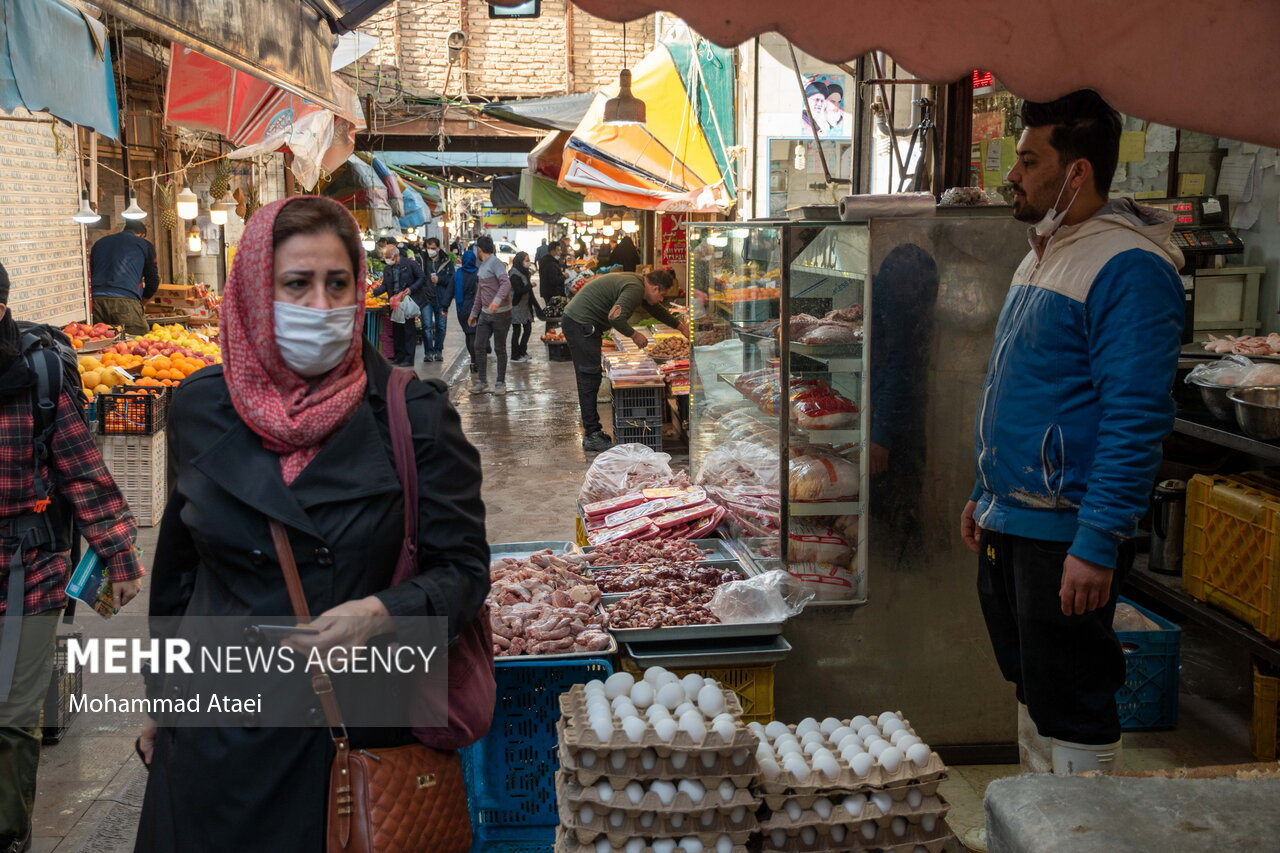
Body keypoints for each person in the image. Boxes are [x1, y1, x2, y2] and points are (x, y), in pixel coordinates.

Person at [133, 196, 489, 852]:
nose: (322, 307)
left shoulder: (412, 417)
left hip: (346, 745)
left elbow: (464, 573)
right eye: (296, 284)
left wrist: (382, 611)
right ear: (253, 292)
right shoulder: (200, 407)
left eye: (338, 283)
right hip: (214, 743)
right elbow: (180, 572)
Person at [959, 91, 1185, 776]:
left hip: (1064, 529)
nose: (1015, 176)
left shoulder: (1130, 267)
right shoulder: (1044, 252)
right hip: (1013, 516)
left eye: (1029, 161)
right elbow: (1022, 387)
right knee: (1034, 683)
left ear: (1077, 172)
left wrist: (1096, 541)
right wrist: (985, 488)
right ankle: (1039, 824)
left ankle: (1083, 829)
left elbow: (1135, 417)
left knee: (1076, 698)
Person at [0, 262, 144, 852]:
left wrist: (120, 556)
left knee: (13, 717)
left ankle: (9, 837)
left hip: (27, 571)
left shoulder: (35, 376)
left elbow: (82, 471)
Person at [561, 270, 689, 452]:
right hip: (580, 323)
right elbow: (615, 317)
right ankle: (592, 434)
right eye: (662, 295)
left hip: (582, 323)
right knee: (589, 377)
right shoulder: (635, 288)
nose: (661, 299)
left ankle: (593, 431)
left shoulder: (639, 284)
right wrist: (634, 335)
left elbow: (656, 310)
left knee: (591, 376)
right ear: (654, 288)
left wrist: (680, 326)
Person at [89, 220, 160, 336]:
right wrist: (143, 302)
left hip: (96, 301)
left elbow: (91, 273)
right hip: (125, 302)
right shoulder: (144, 244)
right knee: (137, 340)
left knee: (101, 342)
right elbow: (153, 281)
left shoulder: (99, 243)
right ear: (142, 235)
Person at [467, 236, 512, 396]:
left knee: (500, 348)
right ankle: (482, 381)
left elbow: (506, 283)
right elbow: (480, 292)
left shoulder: (496, 263)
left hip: (501, 314)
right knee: (478, 345)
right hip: (485, 314)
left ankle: (500, 383)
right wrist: (474, 312)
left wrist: (496, 301)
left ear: (479, 249)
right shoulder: (483, 266)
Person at [371, 242, 426, 366]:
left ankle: (408, 358)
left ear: (395, 256)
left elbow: (422, 277)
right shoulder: (387, 268)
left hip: (406, 301)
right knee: (397, 330)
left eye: (388, 257)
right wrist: (373, 293)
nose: (387, 260)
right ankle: (399, 356)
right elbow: (385, 285)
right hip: (394, 303)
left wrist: (411, 289)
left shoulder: (410, 264)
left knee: (408, 330)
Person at [423, 237, 454, 363]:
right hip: (426, 299)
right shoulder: (422, 261)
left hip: (441, 300)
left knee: (441, 326)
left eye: (433, 248)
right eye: (428, 248)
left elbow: (452, 280)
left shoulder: (446, 262)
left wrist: (439, 280)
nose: (430, 251)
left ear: (438, 248)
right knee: (426, 326)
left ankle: (438, 350)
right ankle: (429, 352)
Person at [508, 252, 539, 364]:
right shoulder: (514, 274)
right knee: (517, 330)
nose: (528, 262)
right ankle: (515, 355)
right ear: (520, 261)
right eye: (526, 260)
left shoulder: (524, 272)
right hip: (516, 306)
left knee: (527, 329)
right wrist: (530, 286)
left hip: (525, 306)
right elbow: (519, 290)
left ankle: (522, 351)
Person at [454, 245, 479, 374]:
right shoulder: (478, 273)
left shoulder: (458, 274)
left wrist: (444, 307)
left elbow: (450, 291)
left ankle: (473, 361)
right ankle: (475, 361)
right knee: (474, 334)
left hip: (461, 308)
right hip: (475, 307)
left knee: (468, 334)